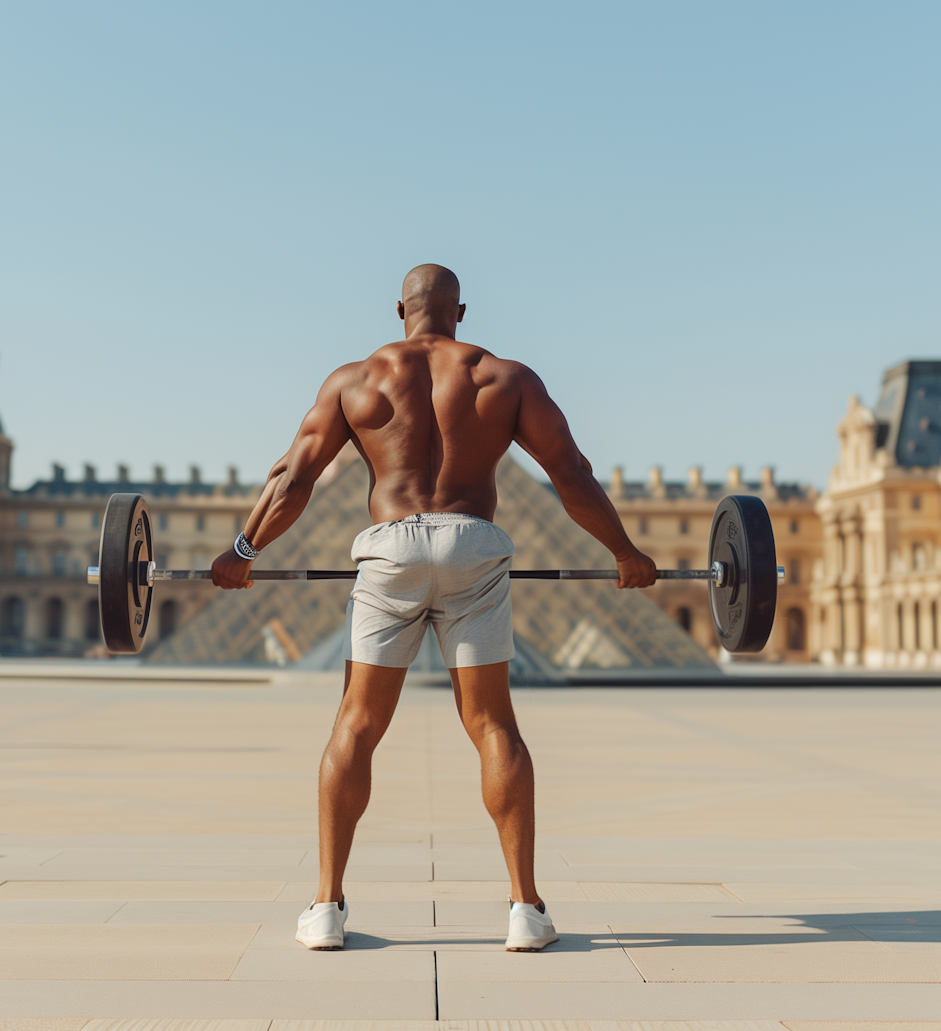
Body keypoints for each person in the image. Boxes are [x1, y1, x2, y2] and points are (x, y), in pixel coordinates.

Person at [211, 263, 656, 951]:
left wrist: (243, 550)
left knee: (356, 724)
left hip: (389, 550)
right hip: (474, 548)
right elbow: (571, 473)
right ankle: (525, 911)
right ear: (462, 311)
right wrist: (625, 550)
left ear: (399, 310)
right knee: (492, 726)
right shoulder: (505, 378)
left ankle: (326, 907)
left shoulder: (355, 380)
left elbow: (294, 478)